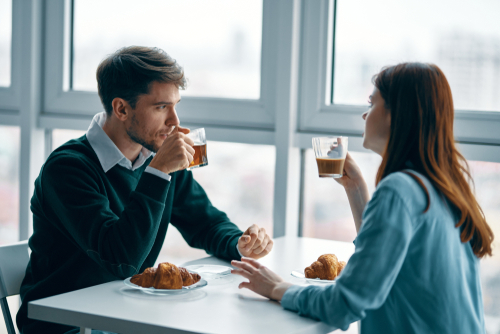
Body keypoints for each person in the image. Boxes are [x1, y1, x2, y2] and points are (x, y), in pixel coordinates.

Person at [16, 46, 273, 334]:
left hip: (123, 314)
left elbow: (205, 222)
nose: (175, 121)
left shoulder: (155, 159)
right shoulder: (67, 169)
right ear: (122, 109)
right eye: (161, 107)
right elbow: (121, 259)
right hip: (63, 324)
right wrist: (158, 172)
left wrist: (239, 243)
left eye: (175, 105)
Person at [232, 63, 494, 333]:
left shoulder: (399, 190)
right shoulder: (446, 188)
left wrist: (278, 288)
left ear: (396, 114)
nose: (364, 114)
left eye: (373, 103)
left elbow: (344, 304)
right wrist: (356, 189)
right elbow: (389, 260)